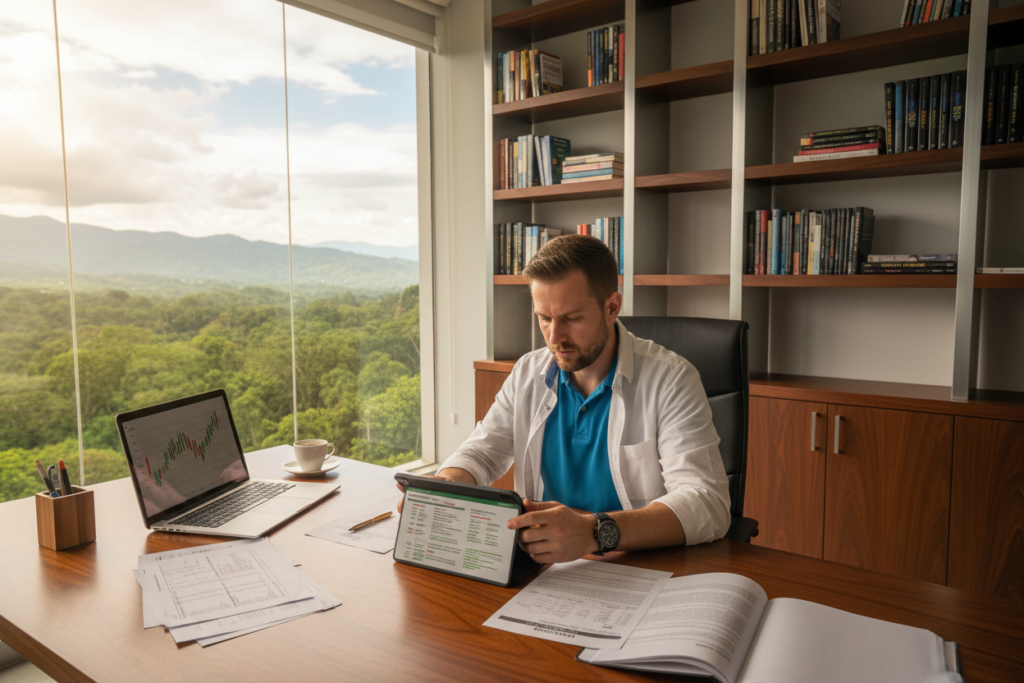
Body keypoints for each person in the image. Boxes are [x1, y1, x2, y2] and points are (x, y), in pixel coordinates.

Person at [426, 234, 730, 564]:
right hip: (546, 569)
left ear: (612, 307)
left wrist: (593, 532)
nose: (554, 338)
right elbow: (482, 452)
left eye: (571, 318)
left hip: (638, 567)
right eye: (544, 318)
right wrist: (443, 490)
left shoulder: (671, 379)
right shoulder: (528, 372)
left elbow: (707, 503)